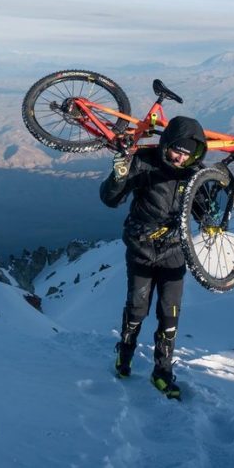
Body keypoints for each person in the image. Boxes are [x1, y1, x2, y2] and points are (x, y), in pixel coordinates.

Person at [99, 115, 208, 400]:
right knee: (137, 308)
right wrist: (118, 176)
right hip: (141, 250)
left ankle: (162, 372)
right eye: (177, 149)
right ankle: (125, 355)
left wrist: (216, 207)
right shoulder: (144, 161)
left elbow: (204, 212)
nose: (181, 157)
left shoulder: (195, 173)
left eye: (188, 153)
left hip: (174, 254)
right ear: (166, 143)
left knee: (169, 315)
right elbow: (111, 199)